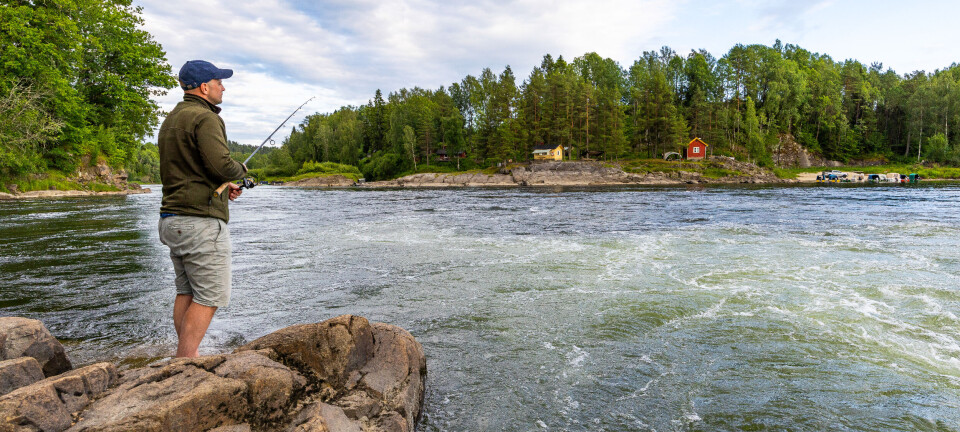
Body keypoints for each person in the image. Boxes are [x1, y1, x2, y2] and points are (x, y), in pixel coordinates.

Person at [157, 60, 247, 357]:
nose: (224, 86)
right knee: (209, 295)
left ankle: (186, 355)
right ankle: (185, 362)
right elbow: (221, 165)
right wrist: (239, 171)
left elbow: (190, 170)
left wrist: (222, 188)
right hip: (199, 223)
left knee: (187, 291)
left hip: (172, 220)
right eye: (219, 81)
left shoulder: (171, 119)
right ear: (204, 87)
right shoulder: (205, 118)